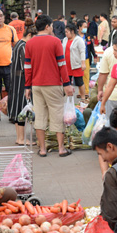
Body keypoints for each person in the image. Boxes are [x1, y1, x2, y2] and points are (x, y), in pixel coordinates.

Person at [24, 14, 74, 157]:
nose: (52, 28)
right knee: (57, 115)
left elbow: (27, 67)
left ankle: (42, 149)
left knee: (39, 116)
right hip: (53, 84)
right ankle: (61, 149)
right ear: (47, 26)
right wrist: (67, 84)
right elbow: (62, 64)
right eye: (51, 25)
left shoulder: (30, 43)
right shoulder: (55, 42)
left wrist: (27, 87)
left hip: (36, 85)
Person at [8, 20, 38, 146]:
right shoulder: (24, 47)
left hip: (15, 81)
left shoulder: (18, 44)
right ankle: (21, 139)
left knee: (17, 109)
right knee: (22, 109)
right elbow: (26, 67)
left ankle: (19, 137)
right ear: (30, 35)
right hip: (21, 82)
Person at [62, 23, 86, 100]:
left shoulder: (79, 40)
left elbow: (82, 52)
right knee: (66, 82)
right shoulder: (65, 40)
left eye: (67, 32)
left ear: (72, 31)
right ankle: (66, 99)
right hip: (67, 65)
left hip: (76, 65)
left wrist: (83, 63)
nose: (66, 34)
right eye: (65, 32)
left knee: (79, 82)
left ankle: (83, 98)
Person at [77, 19, 96, 99]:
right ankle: (80, 92)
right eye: (84, 27)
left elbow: (91, 47)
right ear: (79, 27)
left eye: (86, 27)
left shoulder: (88, 36)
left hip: (86, 58)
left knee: (86, 75)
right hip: (77, 59)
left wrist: (94, 55)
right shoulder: (76, 37)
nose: (85, 28)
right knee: (78, 76)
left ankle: (86, 92)